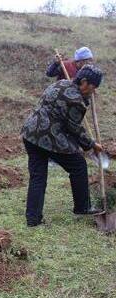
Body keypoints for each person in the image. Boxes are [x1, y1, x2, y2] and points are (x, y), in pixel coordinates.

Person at [21, 64, 104, 227]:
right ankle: (83, 207)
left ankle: (33, 219)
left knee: (38, 177)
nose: (93, 91)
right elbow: (74, 128)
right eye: (93, 87)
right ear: (85, 82)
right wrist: (92, 144)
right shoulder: (77, 101)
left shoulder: (60, 83)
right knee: (79, 165)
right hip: (48, 138)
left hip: (31, 134)